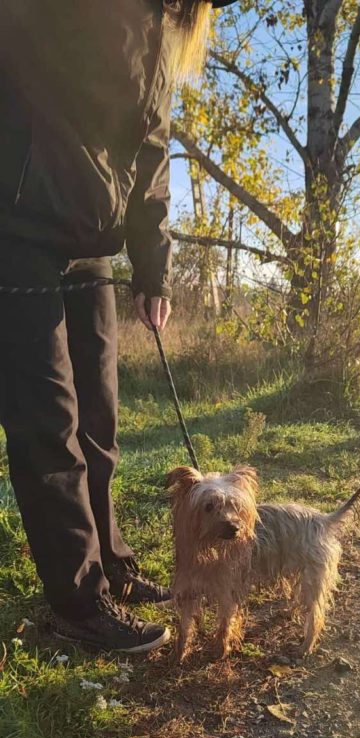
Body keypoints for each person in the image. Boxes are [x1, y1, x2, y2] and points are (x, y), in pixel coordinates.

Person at [0, 0, 237, 653]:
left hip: (90, 241)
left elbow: (152, 152)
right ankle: (78, 605)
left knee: (98, 420)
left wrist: (154, 270)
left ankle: (114, 568)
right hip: (17, 226)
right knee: (48, 424)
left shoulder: (169, 27)